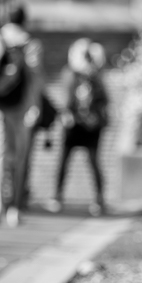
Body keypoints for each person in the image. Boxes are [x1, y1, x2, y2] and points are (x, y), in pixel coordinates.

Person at [0, 4, 44, 227]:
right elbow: (36, 79)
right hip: (19, 108)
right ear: (25, 19)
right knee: (18, 158)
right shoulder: (31, 43)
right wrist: (35, 107)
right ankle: (14, 207)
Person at [46, 38, 109, 216]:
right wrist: (67, 114)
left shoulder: (97, 77)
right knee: (63, 161)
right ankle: (56, 196)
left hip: (92, 126)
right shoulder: (71, 74)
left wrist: (96, 116)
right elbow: (66, 99)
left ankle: (99, 199)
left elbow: (104, 100)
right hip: (73, 125)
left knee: (94, 162)